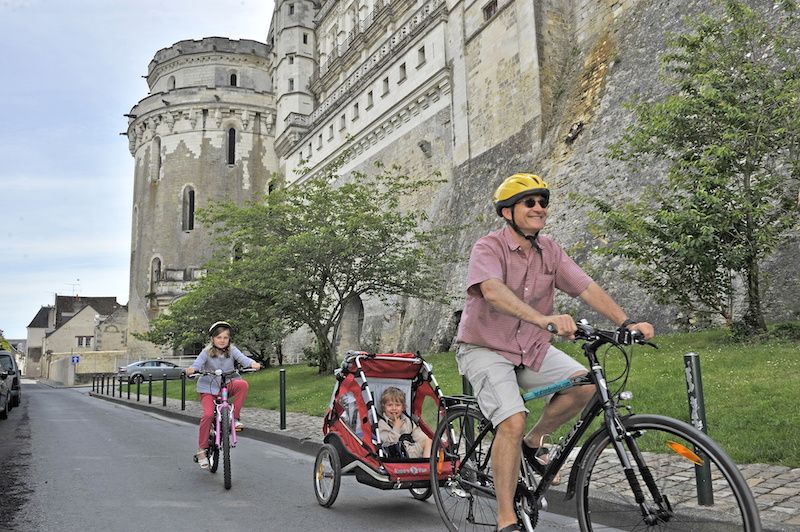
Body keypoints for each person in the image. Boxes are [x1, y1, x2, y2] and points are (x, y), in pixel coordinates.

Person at [455, 173, 654, 532]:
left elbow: (586, 287)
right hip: (484, 348)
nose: (539, 208)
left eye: (543, 202)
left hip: (529, 348)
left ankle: (534, 442)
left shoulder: (551, 251)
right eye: (529, 202)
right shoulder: (489, 247)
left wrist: (627, 321)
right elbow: (492, 291)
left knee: (586, 384)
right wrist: (543, 319)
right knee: (511, 420)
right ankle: (505, 519)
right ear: (507, 212)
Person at [186, 321, 261, 469]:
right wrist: (191, 369)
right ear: (212, 338)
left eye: (225, 337)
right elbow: (197, 364)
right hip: (208, 388)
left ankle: (235, 417)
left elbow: (244, 360)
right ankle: (202, 450)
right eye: (219, 337)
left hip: (227, 384)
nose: (222, 340)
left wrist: (253, 364)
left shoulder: (232, 350)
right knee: (208, 415)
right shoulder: (206, 352)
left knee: (243, 384)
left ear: (229, 339)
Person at [377, 386, 432, 459]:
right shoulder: (382, 424)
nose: (394, 408)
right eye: (390, 405)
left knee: (428, 441)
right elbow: (388, 444)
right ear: (384, 407)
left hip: (410, 450)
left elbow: (419, 436)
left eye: (397, 405)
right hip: (395, 454)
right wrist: (396, 428)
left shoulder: (407, 420)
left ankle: (427, 465)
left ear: (403, 407)